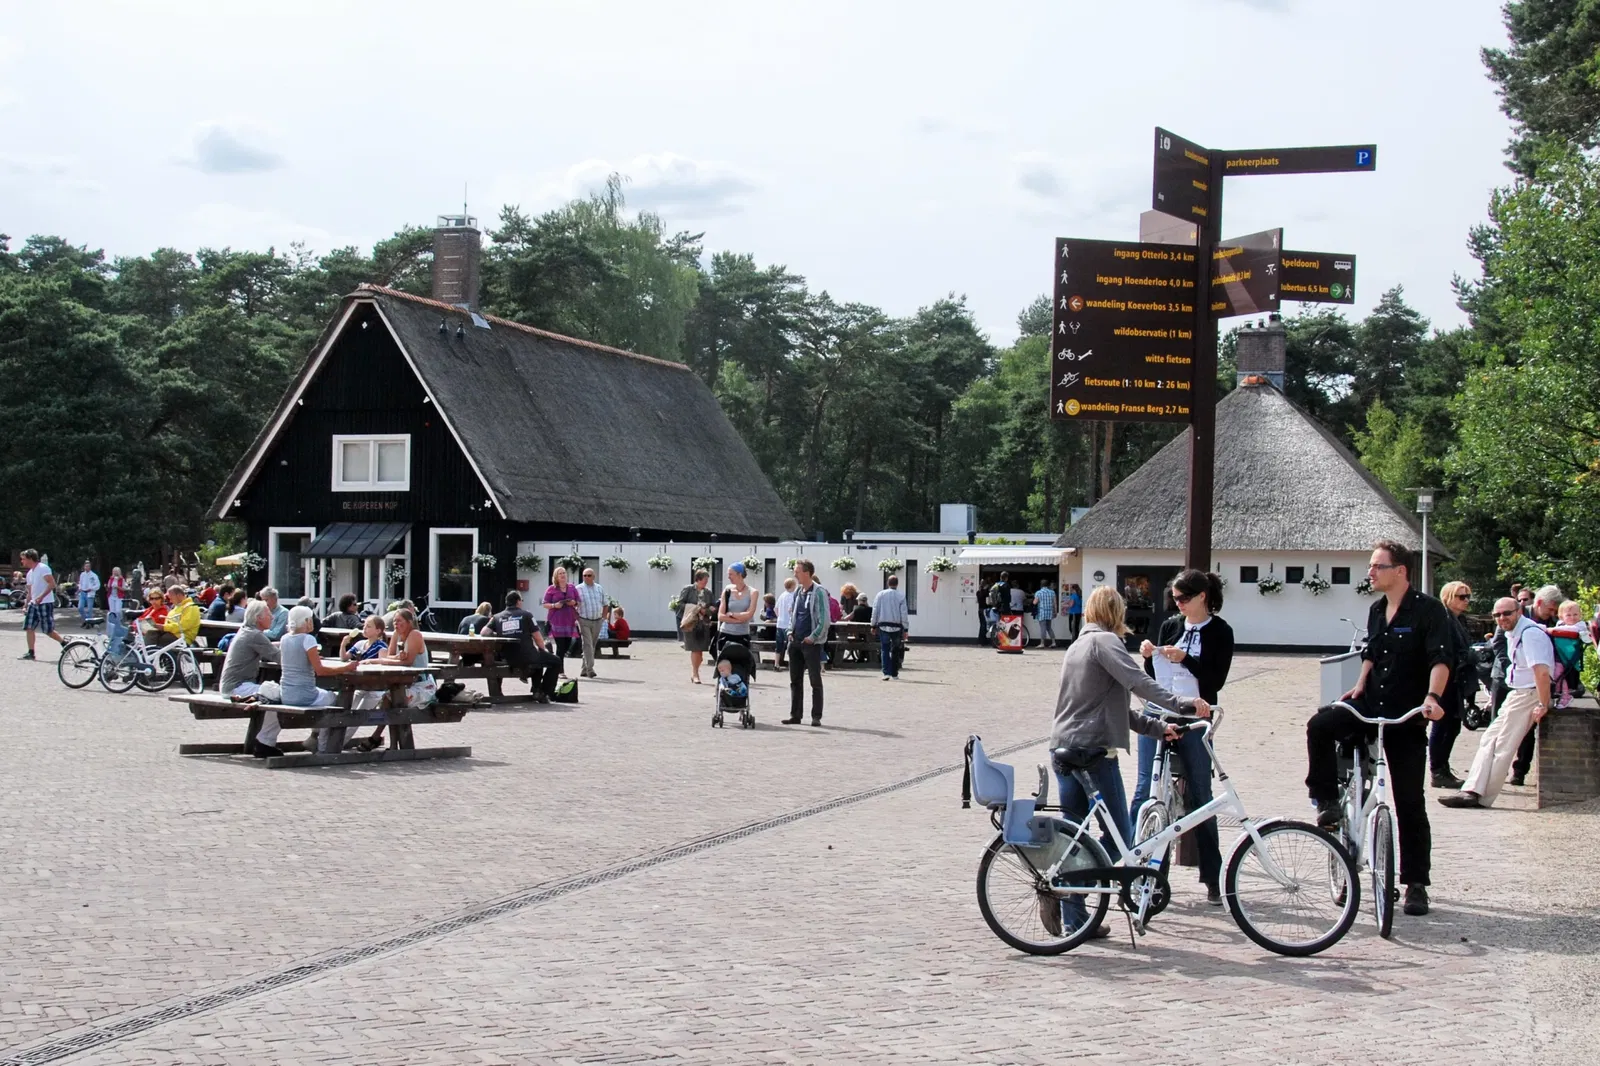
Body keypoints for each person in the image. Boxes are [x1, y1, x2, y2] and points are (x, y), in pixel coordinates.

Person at [1045, 585, 1210, 938]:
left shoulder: (1077, 646)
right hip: (1093, 753)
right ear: (1115, 612)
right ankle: (1067, 884)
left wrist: (1157, 727)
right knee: (1120, 832)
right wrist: (1182, 704)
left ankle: (1074, 917)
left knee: (1075, 834)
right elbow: (1139, 683)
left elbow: (1114, 707)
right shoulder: (1106, 642)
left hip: (1063, 747)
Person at [1306, 540, 1448, 918]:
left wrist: (1433, 697)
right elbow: (1371, 652)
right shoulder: (1376, 609)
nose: (1370, 572)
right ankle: (1327, 801)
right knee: (1320, 725)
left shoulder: (1429, 611)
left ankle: (1416, 884)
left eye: (1376, 566)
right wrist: (1358, 685)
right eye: (1370, 566)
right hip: (1370, 704)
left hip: (1407, 713)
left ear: (1399, 571)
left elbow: (1440, 659)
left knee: (1410, 801)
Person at [1131, 569, 1234, 905]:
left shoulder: (1220, 631)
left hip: (1194, 717)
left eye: (1183, 598)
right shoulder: (1171, 626)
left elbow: (1215, 681)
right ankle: (1141, 871)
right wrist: (1149, 656)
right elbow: (1154, 676)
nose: (1178, 604)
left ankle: (1212, 877)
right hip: (1160, 713)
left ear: (1202, 596)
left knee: (1201, 794)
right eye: (1174, 599)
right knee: (1146, 789)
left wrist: (1186, 659)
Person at [1440, 596, 1555, 810]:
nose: (1502, 618)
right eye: (1497, 615)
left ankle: (1481, 797)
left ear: (1519, 612)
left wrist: (1542, 703)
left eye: (1506, 613)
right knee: (1489, 739)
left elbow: (1541, 672)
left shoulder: (1530, 634)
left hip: (1528, 694)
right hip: (1518, 693)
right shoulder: (1515, 632)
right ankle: (1471, 790)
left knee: (1503, 745)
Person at [253, 605, 360, 758]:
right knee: (336, 700)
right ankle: (323, 745)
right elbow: (320, 670)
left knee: (326, 697)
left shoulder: (285, 638)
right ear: (306, 621)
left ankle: (314, 739)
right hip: (305, 695)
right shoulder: (308, 639)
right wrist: (346, 667)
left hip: (287, 693)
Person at [1509, 584, 1564, 784]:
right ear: (1539, 603)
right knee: (1504, 727)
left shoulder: (1554, 622)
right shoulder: (1515, 615)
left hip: (1535, 683)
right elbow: (1500, 646)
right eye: (1550, 610)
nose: (1552, 614)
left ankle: (1519, 771)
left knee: (1529, 728)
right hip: (1512, 680)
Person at [1431, 580, 1478, 789]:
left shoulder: (1459, 620)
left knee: (1453, 725)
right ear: (1448, 597)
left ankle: (1443, 767)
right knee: (1443, 724)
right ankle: (1437, 770)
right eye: (1461, 596)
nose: (1466, 600)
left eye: (1468, 596)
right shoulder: (1443, 620)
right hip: (1446, 679)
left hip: (1457, 678)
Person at [487, 591, 559, 702]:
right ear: (518, 602)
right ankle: (543, 692)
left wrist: (500, 633)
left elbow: (484, 632)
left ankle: (536, 689)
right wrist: (543, 650)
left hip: (507, 657)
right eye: (521, 600)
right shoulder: (527, 615)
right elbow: (538, 638)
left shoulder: (496, 617)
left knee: (538, 658)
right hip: (527, 656)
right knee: (555, 661)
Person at [786, 559, 829, 725]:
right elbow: (793, 614)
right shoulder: (798, 591)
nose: (795, 574)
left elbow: (824, 619)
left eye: (797, 571)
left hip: (811, 643)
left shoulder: (819, 592)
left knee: (814, 680)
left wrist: (813, 636)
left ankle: (816, 716)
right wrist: (789, 631)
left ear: (807, 573)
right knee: (795, 680)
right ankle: (795, 715)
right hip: (795, 640)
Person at [218, 600, 280, 699]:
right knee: (278, 694)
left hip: (230, 686)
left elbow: (267, 647)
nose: (272, 617)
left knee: (274, 692)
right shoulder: (255, 635)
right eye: (269, 615)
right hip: (237, 688)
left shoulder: (245, 630)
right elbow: (279, 658)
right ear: (259, 618)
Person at [18, 549, 67, 661]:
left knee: (48, 630)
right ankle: (31, 653)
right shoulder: (30, 573)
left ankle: (65, 643)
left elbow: (52, 584)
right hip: (34, 603)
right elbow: (30, 592)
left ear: (30, 558)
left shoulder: (43, 568)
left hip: (45, 603)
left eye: (23, 559)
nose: (22, 561)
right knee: (29, 627)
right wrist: (25, 605)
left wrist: (41, 597)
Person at [676, 570, 716, 684]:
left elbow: (713, 606)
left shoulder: (708, 592)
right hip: (691, 623)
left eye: (707, 580)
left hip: (704, 624)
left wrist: (708, 610)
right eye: (704, 580)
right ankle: (695, 674)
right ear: (698, 579)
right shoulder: (688, 589)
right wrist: (696, 608)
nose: (706, 582)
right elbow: (680, 604)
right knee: (695, 649)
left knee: (700, 651)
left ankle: (695, 671)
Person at [871, 574, 910, 680]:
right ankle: (894, 673)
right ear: (897, 584)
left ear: (888, 583)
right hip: (896, 626)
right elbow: (904, 613)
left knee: (885, 649)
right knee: (895, 650)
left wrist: (873, 625)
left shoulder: (880, 595)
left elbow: (875, 610)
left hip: (883, 625)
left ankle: (886, 672)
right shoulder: (901, 596)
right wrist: (905, 628)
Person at [718, 564, 759, 662]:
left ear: (739, 574)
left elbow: (749, 615)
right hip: (725, 633)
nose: (728, 577)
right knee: (724, 665)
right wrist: (739, 620)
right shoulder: (727, 590)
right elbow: (720, 616)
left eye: (731, 574)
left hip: (742, 635)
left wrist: (732, 614)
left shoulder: (753, 592)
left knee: (741, 665)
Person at [541, 566, 581, 669]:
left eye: (564, 573)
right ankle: (560, 671)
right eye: (560, 573)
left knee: (567, 646)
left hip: (569, 621)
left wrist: (574, 602)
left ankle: (554, 661)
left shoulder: (572, 587)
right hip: (556, 621)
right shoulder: (551, 589)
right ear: (556, 576)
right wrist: (554, 605)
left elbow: (579, 602)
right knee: (560, 646)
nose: (563, 575)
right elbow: (544, 604)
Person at [574, 568, 609, 679]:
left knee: (591, 645)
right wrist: (577, 618)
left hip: (597, 620)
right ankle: (590, 669)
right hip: (584, 620)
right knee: (587, 644)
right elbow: (573, 605)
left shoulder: (599, 588)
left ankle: (584, 669)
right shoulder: (578, 589)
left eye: (589, 575)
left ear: (594, 577)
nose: (586, 577)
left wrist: (603, 617)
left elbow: (605, 604)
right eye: (584, 575)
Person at [774, 577, 797, 668]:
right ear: (793, 585)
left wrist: (779, 617)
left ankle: (776, 664)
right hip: (788, 624)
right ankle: (792, 664)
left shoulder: (782, 595)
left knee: (779, 646)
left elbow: (776, 609)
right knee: (791, 645)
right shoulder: (792, 596)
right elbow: (790, 609)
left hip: (780, 624)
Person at [1033, 580, 1059, 648]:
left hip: (1042, 612)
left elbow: (1035, 602)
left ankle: (1042, 643)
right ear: (1048, 585)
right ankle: (1053, 642)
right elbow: (1055, 603)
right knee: (1049, 628)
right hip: (1050, 612)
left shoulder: (1038, 592)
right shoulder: (1052, 592)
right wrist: (1055, 612)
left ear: (1041, 585)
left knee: (1043, 628)